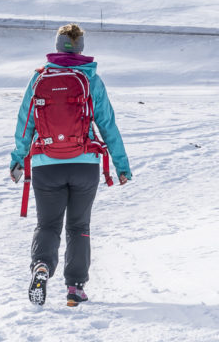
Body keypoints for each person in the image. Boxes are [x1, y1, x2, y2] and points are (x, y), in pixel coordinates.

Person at [9, 23, 131, 307]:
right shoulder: (91, 80)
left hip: (45, 164)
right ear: (81, 48)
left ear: (57, 45)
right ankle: (75, 288)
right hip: (84, 165)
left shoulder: (40, 77)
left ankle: (41, 266)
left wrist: (18, 159)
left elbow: (25, 122)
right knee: (79, 226)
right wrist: (122, 166)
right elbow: (108, 125)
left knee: (48, 224)